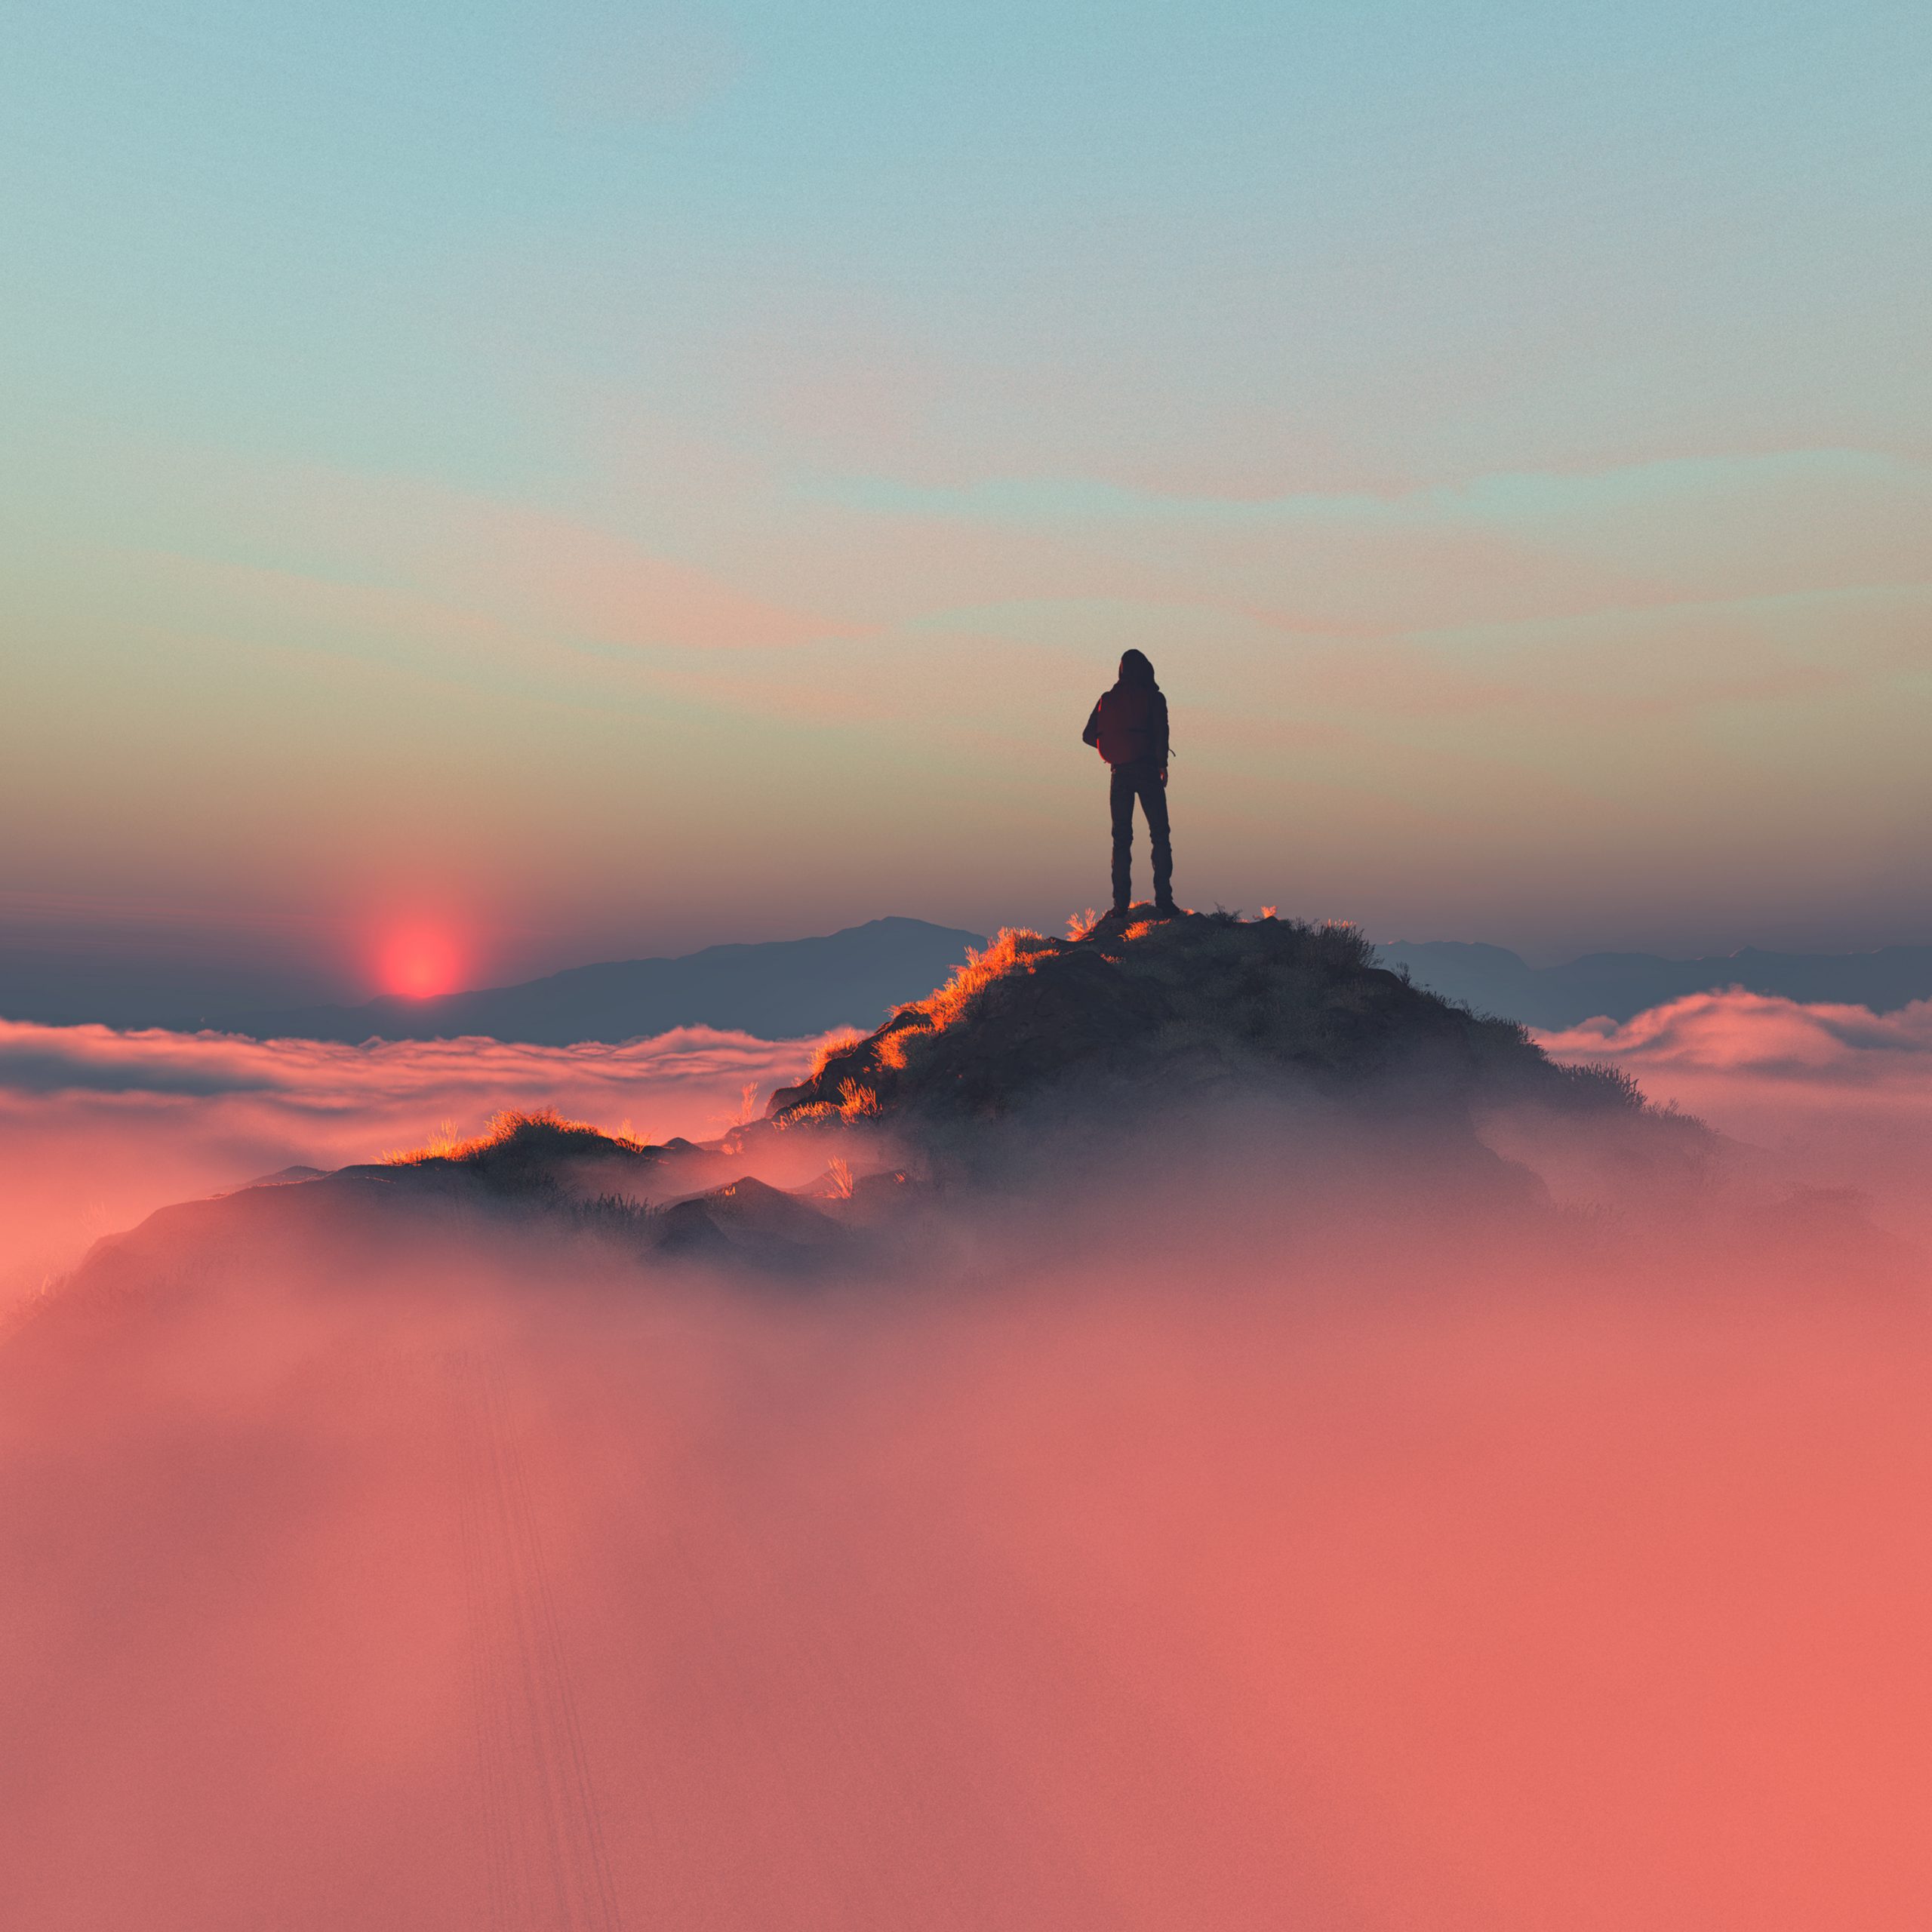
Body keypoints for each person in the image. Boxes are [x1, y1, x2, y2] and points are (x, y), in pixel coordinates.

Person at [1082, 649, 1175, 918]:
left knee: (1121, 839)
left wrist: (1114, 747)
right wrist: (1162, 764)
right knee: (1160, 835)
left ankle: (1120, 905)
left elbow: (1089, 735)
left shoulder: (1107, 699)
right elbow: (1161, 731)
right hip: (1147, 770)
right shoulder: (1154, 698)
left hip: (1119, 773)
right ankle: (1165, 902)